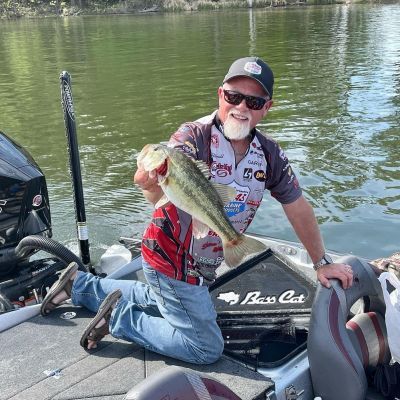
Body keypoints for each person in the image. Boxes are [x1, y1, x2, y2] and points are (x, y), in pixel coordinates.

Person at [41, 56, 354, 365]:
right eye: (233, 96)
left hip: (201, 264)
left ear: (266, 108)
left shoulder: (270, 153)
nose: (241, 107)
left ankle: (78, 285)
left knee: (161, 299)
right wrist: (148, 180)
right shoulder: (192, 136)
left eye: (254, 102)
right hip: (170, 259)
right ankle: (120, 318)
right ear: (220, 95)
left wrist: (321, 262)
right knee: (205, 347)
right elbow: (158, 187)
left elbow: (297, 206)